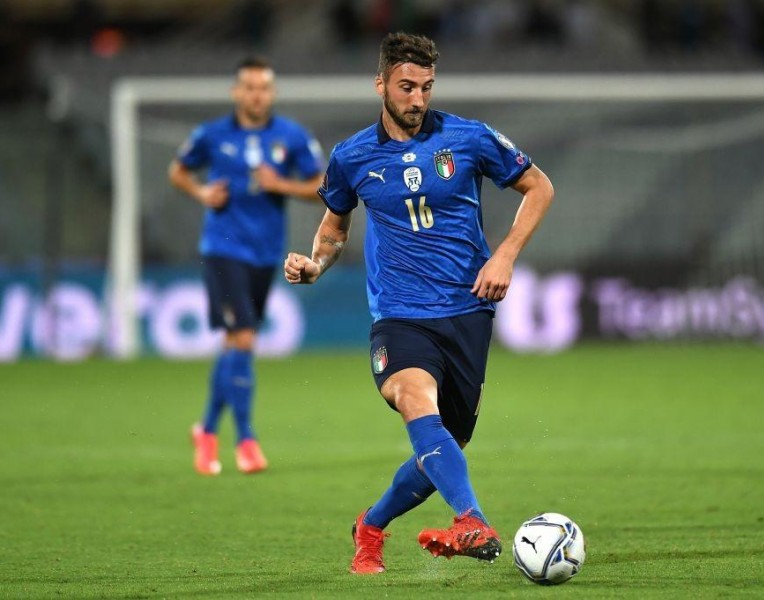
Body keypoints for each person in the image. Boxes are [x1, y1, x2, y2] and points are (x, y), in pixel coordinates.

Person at [283, 32, 554, 573]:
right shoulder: (351, 156)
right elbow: (334, 227)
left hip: (468, 311)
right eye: (406, 87)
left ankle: (371, 525)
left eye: (426, 87)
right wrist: (317, 263)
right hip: (400, 315)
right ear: (380, 83)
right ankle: (470, 519)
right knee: (414, 398)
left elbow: (539, 186)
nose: (417, 99)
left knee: (445, 447)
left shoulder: (469, 138)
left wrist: (503, 256)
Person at [169, 56, 325, 476]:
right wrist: (202, 194)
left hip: (264, 252)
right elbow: (178, 171)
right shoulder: (212, 135)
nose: (257, 95)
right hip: (222, 248)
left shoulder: (291, 136)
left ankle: (205, 430)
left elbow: (321, 186)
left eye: (264, 88)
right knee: (242, 338)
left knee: (235, 344)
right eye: (250, 87)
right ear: (237, 92)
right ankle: (246, 440)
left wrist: (282, 185)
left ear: (271, 93)